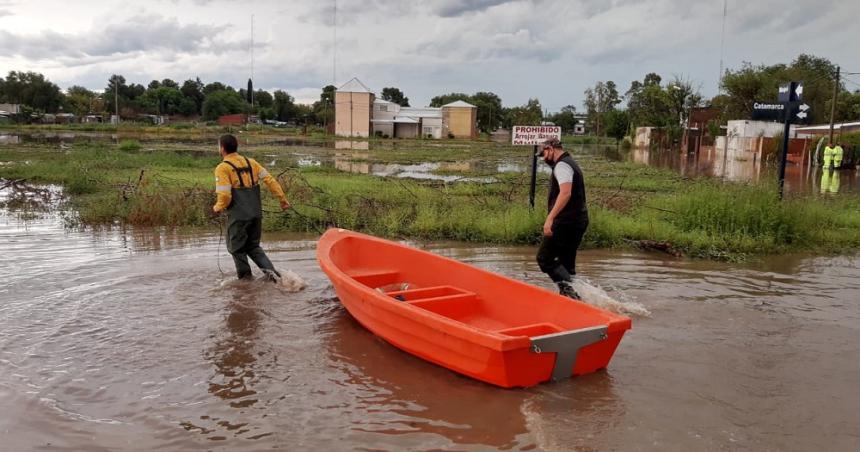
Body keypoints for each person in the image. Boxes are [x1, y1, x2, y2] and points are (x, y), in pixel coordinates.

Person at [213, 134, 290, 280]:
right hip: (255, 214)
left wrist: (217, 207)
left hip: (238, 217)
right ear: (236, 146)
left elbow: (225, 196)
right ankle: (275, 278)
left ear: (222, 148)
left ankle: (245, 284)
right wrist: (282, 199)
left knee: (236, 249)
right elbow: (270, 180)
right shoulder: (252, 163)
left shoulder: (222, 168)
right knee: (253, 247)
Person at [535, 138, 589, 299]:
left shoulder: (562, 165)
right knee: (567, 264)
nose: (543, 158)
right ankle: (569, 299)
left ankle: (572, 295)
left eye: (543, 153)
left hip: (566, 222)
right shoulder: (570, 162)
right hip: (578, 220)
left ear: (550, 148)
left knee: (544, 259)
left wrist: (550, 218)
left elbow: (565, 193)